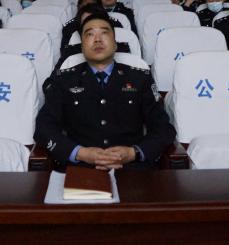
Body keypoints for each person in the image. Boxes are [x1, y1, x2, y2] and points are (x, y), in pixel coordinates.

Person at [34, 13, 175, 170]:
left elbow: (163, 128)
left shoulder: (140, 78)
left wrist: (134, 152)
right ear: (82, 46)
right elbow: (43, 127)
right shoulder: (64, 80)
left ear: (115, 44)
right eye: (90, 34)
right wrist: (79, 153)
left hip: (132, 169)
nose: (97, 39)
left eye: (104, 33)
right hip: (80, 169)